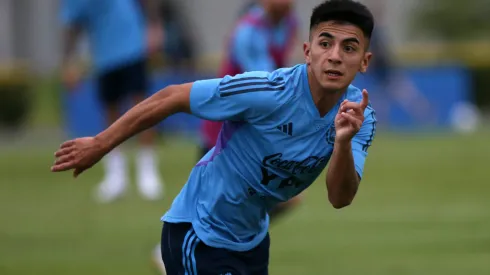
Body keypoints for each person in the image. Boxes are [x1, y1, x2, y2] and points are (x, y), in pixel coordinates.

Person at [51, 0, 377, 273]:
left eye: (349, 48)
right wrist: (100, 144)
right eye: (325, 43)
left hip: (252, 242)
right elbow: (173, 96)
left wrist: (343, 143)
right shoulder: (266, 90)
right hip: (198, 233)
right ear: (307, 51)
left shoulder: (360, 118)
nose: (334, 55)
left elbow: (340, 198)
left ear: (364, 61)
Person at [59, 0, 165, 203]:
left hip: (133, 46)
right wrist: (69, 63)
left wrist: (154, 25)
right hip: (104, 56)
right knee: (111, 112)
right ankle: (116, 176)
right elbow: (73, 25)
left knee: (143, 108)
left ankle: (148, 173)